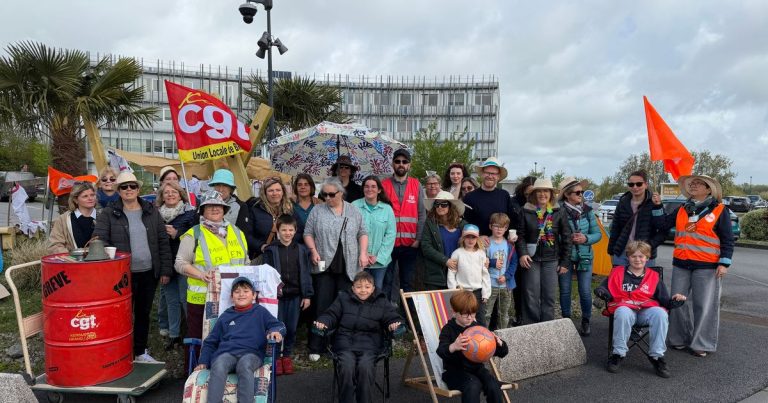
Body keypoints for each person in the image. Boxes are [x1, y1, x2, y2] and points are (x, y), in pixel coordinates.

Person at [93, 172, 172, 362]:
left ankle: (139, 351)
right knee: (120, 314)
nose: (129, 190)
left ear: (138, 189)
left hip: (148, 273)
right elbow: (99, 237)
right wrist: (105, 250)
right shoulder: (109, 213)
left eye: (132, 186)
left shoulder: (152, 211)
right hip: (122, 275)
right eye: (124, 187)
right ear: (118, 191)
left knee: (143, 314)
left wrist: (165, 269)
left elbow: (162, 241)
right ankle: (120, 351)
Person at [652, 174, 734, 357]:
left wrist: (724, 263)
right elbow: (663, 224)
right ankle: (678, 339)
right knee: (677, 303)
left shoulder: (720, 210)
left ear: (708, 189)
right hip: (682, 263)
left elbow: (728, 240)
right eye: (692, 184)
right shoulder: (683, 208)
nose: (694, 185)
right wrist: (657, 206)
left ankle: (701, 343)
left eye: (699, 183)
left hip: (708, 266)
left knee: (704, 306)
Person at [175, 190, 249, 367]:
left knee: (227, 337)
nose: (215, 209)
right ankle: (194, 376)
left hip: (231, 299)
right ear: (202, 211)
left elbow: (246, 261)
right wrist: (201, 275)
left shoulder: (237, 232)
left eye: (219, 206)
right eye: (210, 206)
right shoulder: (194, 234)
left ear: (224, 209)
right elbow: (179, 263)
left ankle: (221, 374)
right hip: (201, 299)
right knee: (197, 339)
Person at [594, 241, 686, 377]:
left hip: (645, 312)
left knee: (661, 314)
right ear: (628, 257)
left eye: (641, 256)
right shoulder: (617, 272)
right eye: (634, 256)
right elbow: (603, 287)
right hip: (625, 310)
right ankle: (618, 354)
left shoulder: (653, 276)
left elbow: (665, 300)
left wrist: (675, 300)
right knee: (623, 312)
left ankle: (656, 356)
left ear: (647, 258)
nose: (638, 259)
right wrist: (601, 292)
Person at [304, 177, 369, 361]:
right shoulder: (317, 210)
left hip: (348, 266)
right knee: (322, 307)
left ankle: (341, 344)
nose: (328, 198)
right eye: (324, 194)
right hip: (324, 266)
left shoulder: (353, 210)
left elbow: (363, 232)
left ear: (341, 193)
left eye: (332, 194)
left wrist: (363, 253)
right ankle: (316, 346)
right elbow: (308, 233)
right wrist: (313, 250)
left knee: (345, 308)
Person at [314, 271, 402, 403]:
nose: (363, 290)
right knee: (346, 366)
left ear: (373, 288)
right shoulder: (343, 299)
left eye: (367, 287)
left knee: (365, 367)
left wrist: (394, 325)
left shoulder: (382, 301)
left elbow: (393, 318)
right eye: (359, 287)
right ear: (353, 288)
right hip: (345, 344)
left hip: (370, 346)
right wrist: (323, 322)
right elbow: (331, 315)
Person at [195, 276, 285, 403]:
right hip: (227, 353)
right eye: (237, 292)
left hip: (251, 354)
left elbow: (278, 325)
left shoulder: (260, 312)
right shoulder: (226, 315)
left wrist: (275, 331)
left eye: (246, 291)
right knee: (219, 364)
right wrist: (203, 361)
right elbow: (211, 341)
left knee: (244, 365)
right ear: (232, 297)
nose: (241, 294)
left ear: (254, 296)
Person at [515, 177, 572, 324]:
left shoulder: (559, 211)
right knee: (531, 295)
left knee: (549, 296)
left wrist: (565, 262)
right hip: (531, 259)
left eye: (546, 191)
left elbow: (567, 237)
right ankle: (531, 327)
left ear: (551, 194)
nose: (542, 194)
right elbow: (520, 235)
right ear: (534, 193)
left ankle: (547, 326)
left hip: (551, 259)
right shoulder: (525, 211)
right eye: (539, 191)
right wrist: (523, 254)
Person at [262, 214, 314, 375]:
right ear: (277, 230)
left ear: (295, 231)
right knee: (277, 327)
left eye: (290, 230)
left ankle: (287, 356)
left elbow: (306, 273)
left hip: (296, 296)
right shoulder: (271, 250)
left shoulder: (301, 250)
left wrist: (307, 295)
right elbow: (266, 275)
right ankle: (276, 357)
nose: (287, 233)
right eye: (284, 230)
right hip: (277, 297)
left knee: (291, 328)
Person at [437, 290, 508, 403]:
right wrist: (454, 346)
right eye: (465, 314)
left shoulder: (477, 328)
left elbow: (501, 353)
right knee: (473, 385)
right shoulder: (448, 329)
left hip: (477, 369)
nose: (470, 318)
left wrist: (500, 345)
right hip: (455, 372)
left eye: (473, 313)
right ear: (454, 312)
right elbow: (440, 351)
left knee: (493, 386)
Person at [155, 181, 198, 350]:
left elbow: (196, 235)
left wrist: (178, 234)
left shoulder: (190, 213)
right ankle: (174, 335)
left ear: (180, 194)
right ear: (162, 196)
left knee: (185, 299)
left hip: (185, 262)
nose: (170, 195)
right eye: (167, 193)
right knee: (171, 300)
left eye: (174, 192)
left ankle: (191, 332)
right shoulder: (156, 215)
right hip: (165, 263)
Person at [557, 177, 602, 336]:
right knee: (565, 290)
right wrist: (566, 239)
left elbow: (598, 234)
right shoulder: (559, 211)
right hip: (566, 256)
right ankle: (566, 321)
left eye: (581, 192)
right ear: (567, 195)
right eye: (577, 192)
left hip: (585, 255)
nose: (580, 195)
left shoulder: (588, 211)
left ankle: (586, 320)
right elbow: (554, 234)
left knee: (584, 291)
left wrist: (586, 238)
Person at [381, 149, 426, 298]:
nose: (401, 164)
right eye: (398, 161)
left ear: (409, 165)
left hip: (410, 244)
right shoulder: (383, 185)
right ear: (393, 164)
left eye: (404, 162)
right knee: (386, 282)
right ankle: (386, 318)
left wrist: (418, 239)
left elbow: (421, 214)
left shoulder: (416, 185)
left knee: (408, 284)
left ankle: (408, 317)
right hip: (389, 244)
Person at [607, 169, 665, 267]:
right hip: (622, 252)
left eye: (639, 184)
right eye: (631, 184)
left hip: (644, 254)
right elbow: (615, 228)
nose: (635, 187)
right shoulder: (623, 202)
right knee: (620, 281)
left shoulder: (654, 203)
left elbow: (662, 228)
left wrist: (649, 246)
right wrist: (611, 250)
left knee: (644, 282)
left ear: (646, 184)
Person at [352, 175, 396, 290]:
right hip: (359, 260)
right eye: (366, 186)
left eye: (373, 186)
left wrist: (379, 257)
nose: (369, 189)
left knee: (376, 291)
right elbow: (349, 233)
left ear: (379, 190)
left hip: (379, 262)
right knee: (359, 291)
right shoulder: (354, 206)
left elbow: (390, 235)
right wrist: (362, 254)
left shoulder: (387, 209)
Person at [462, 157, 520, 240]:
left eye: (494, 173)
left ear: (498, 176)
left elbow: (512, 219)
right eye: (487, 173)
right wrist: (478, 237)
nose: (490, 176)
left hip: (500, 245)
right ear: (482, 174)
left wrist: (511, 234)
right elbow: (465, 223)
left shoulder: (504, 195)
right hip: (477, 245)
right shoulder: (470, 197)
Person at [421, 191, 467, 291]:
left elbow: (474, 242)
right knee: (437, 305)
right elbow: (426, 247)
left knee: (456, 305)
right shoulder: (430, 223)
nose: (440, 207)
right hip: (436, 275)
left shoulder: (462, 224)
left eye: (444, 204)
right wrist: (445, 261)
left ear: (451, 206)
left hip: (458, 273)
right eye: (437, 204)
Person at [447, 224, 491, 326]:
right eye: (467, 237)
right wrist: (453, 290)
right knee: (464, 319)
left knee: (480, 319)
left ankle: (483, 340)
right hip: (462, 292)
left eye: (473, 237)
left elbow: (485, 274)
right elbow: (451, 273)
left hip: (478, 292)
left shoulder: (481, 254)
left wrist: (486, 293)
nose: (470, 240)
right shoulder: (457, 253)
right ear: (463, 238)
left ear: (477, 238)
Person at [207, 169, 256, 258]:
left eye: (225, 185)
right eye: (218, 185)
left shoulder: (241, 206)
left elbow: (242, 234)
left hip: (231, 254)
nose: (221, 189)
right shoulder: (204, 204)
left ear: (231, 188)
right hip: (207, 252)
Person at [509, 176, 537, 325]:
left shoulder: (541, 204)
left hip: (535, 247)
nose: (530, 196)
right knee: (518, 284)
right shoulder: (514, 203)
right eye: (527, 193)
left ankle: (531, 314)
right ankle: (520, 314)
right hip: (516, 245)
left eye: (533, 193)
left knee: (532, 285)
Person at [484, 213, 517, 330]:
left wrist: (506, 276)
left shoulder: (509, 245)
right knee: (486, 314)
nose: (499, 229)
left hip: (505, 286)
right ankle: (484, 337)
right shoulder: (485, 243)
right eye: (496, 226)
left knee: (504, 314)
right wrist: (492, 262)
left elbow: (514, 263)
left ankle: (502, 336)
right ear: (490, 226)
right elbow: (480, 261)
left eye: (502, 227)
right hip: (489, 285)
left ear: (506, 228)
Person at [47, 182, 97, 254]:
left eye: (92, 195)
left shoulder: (103, 217)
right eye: (85, 196)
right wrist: (72, 255)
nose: (90, 198)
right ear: (76, 200)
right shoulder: (63, 220)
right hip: (73, 262)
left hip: (100, 262)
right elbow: (54, 245)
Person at [250, 177, 294, 257]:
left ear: (283, 192)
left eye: (278, 190)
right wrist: (261, 246)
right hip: (263, 255)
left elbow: (299, 231)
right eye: (271, 190)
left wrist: (289, 244)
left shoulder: (289, 209)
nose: (275, 193)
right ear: (265, 193)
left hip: (285, 255)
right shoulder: (255, 209)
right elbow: (247, 234)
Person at [292, 173, 321, 241]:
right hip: (295, 246)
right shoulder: (289, 205)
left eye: (306, 184)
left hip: (316, 245)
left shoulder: (319, 204)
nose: (303, 187)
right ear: (296, 187)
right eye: (299, 185)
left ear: (311, 187)